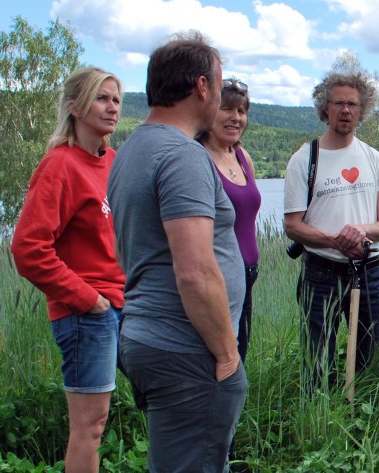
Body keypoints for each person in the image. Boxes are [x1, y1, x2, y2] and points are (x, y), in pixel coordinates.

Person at [108, 32, 246, 472]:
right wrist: (227, 354)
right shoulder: (181, 155)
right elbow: (195, 271)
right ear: (202, 87)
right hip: (186, 348)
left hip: (147, 336)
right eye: (220, 85)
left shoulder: (131, 150)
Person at [10, 66, 124, 473]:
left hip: (125, 305)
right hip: (87, 315)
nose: (112, 107)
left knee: (164, 396)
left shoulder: (114, 161)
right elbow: (28, 249)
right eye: (101, 98)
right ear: (75, 106)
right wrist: (88, 300)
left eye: (115, 99)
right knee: (90, 428)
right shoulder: (59, 165)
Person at [283, 70, 379, 391]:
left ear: (362, 110)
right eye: (338, 104)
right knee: (315, 359)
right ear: (325, 108)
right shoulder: (305, 160)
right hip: (320, 274)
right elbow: (292, 226)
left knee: (371, 356)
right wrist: (335, 241)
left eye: (352, 104)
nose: (346, 110)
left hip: (368, 273)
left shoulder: (373, 159)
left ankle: (363, 425)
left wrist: (360, 231)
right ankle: (318, 426)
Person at [196, 77, 261, 365]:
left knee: (238, 358)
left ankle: (232, 411)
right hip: (217, 277)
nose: (236, 118)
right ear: (209, 110)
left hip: (246, 275)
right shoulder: (197, 157)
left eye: (242, 111)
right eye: (227, 109)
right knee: (217, 360)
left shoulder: (242, 157)